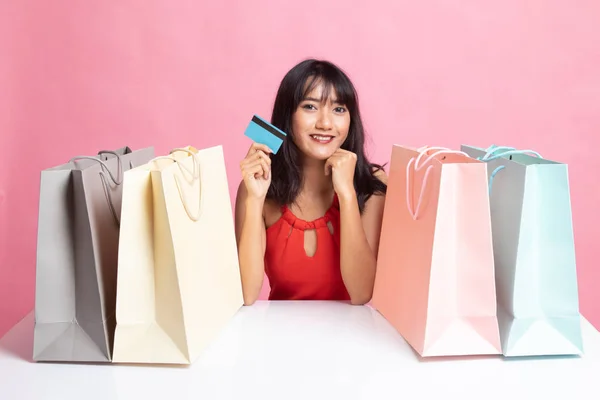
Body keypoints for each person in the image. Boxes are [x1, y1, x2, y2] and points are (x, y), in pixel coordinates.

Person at [235, 59, 387, 306]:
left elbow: (361, 293)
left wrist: (347, 194)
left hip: (354, 337)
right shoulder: (259, 187)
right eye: (310, 107)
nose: (325, 124)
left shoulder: (372, 186)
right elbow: (246, 295)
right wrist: (254, 199)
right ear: (288, 115)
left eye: (339, 109)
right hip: (278, 335)